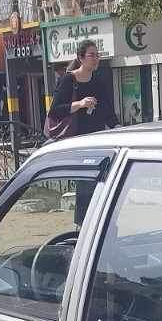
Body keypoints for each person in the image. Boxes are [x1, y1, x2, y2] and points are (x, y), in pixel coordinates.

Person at [48, 40, 118, 224]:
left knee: (98, 182)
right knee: (85, 182)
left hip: (97, 141)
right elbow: (54, 111)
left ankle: (95, 223)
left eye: (97, 55)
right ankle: (83, 224)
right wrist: (79, 104)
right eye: (91, 55)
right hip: (77, 141)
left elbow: (108, 114)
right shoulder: (68, 80)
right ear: (81, 58)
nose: (95, 59)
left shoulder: (99, 84)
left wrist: (118, 129)